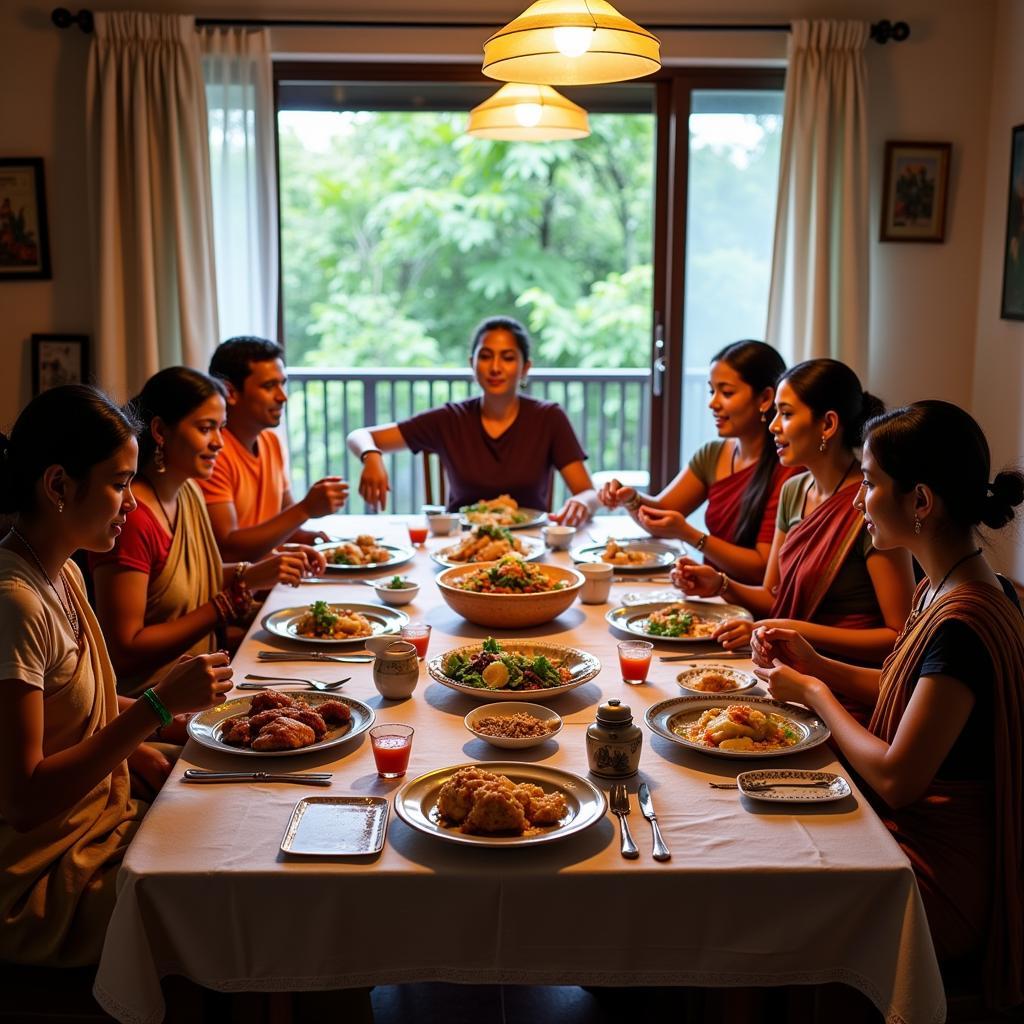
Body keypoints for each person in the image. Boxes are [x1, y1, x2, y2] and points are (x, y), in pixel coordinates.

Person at [750, 400, 1024, 1011]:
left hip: (939, 871)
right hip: (917, 838)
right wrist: (816, 663)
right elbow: (904, 689)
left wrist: (816, 695)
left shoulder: (966, 620)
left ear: (920, 502)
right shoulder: (947, 587)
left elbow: (900, 777)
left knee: (757, 905)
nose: (856, 499)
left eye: (870, 483)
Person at [0, 385, 232, 965]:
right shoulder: (15, 604)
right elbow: (25, 799)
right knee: (239, 896)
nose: (132, 503)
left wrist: (208, 720)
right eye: (119, 482)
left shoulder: (64, 576)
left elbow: (94, 713)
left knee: (242, 829)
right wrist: (156, 708)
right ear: (58, 486)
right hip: (43, 876)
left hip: (104, 818)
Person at [91, 368, 325, 697]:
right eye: (205, 429)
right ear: (159, 430)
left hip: (205, 684)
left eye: (220, 428)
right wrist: (231, 599)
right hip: (156, 704)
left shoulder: (188, 493)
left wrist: (255, 573)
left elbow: (189, 582)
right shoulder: (133, 521)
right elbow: (127, 650)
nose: (218, 443)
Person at [671, 358, 914, 665]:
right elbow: (774, 597)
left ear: (827, 424)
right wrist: (721, 583)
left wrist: (789, 630)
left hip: (845, 677)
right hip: (789, 666)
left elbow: (900, 635)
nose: (773, 425)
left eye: (785, 414)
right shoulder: (795, 490)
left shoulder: (870, 503)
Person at [347, 316, 597, 525]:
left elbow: (588, 493)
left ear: (525, 368)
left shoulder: (548, 418)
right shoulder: (450, 419)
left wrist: (582, 502)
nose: (496, 367)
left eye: (508, 358)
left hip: (529, 547)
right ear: (472, 364)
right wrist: (371, 455)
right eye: (486, 356)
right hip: (460, 548)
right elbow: (359, 435)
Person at [599, 340, 796, 583]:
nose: (712, 403)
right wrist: (629, 498)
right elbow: (661, 514)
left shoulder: (788, 467)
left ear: (766, 398)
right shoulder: (713, 454)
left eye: (726, 392)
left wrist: (690, 535)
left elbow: (761, 568)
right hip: (708, 592)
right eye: (711, 391)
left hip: (748, 607)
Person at [201, 337, 349, 561]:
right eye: (269, 386)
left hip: (269, 583)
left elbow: (283, 523)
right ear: (230, 392)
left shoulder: (271, 442)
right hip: (239, 591)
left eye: (282, 383)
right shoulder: (212, 454)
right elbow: (228, 549)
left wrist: (312, 538)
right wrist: (306, 508)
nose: (283, 396)